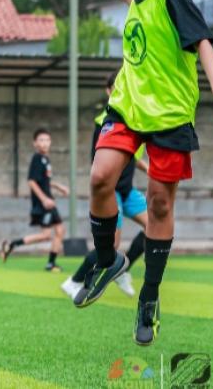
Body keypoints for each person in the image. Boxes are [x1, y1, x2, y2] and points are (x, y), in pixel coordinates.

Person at [74, 0, 213, 347]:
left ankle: (149, 299)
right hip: (127, 106)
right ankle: (107, 261)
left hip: (171, 114)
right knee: (100, 177)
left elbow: (203, 41)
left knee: (158, 203)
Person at [62, 71, 149, 300]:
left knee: (155, 229)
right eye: (118, 88)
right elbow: (99, 161)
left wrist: (147, 168)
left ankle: (123, 270)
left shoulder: (136, 116)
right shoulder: (105, 121)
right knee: (111, 245)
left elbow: (132, 154)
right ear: (109, 91)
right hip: (113, 192)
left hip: (128, 190)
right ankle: (74, 280)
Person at [1, 128, 70, 272]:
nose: (44, 143)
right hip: (44, 203)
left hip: (48, 201)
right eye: (41, 140)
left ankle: (48, 262)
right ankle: (14, 246)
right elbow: (31, 181)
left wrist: (57, 186)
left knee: (55, 232)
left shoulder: (45, 160)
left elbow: (43, 181)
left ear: (50, 142)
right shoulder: (37, 159)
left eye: (47, 140)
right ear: (35, 143)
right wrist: (44, 199)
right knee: (52, 233)